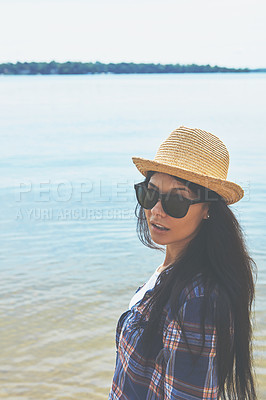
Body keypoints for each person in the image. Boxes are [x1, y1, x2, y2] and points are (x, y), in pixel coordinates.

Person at [108, 126, 257, 399]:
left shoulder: (199, 299)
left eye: (176, 200)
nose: (156, 210)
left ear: (208, 209)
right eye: (149, 194)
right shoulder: (172, 271)